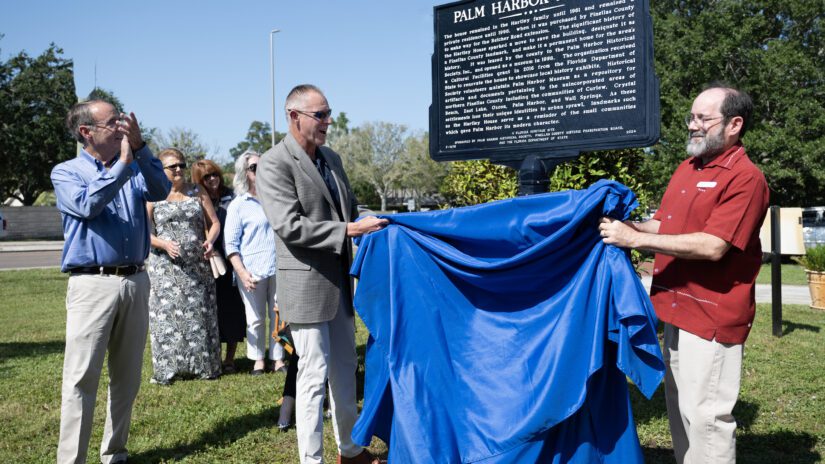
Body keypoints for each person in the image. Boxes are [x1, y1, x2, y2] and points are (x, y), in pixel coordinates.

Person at [599, 83, 769, 463]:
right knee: (680, 410)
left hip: (711, 317)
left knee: (707, 418)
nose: (693, 125)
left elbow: (713, 245)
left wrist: (633, 239)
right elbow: (666, 225)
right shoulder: (688, 168)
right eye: (691, 117)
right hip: (675, 312)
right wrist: (629, 227)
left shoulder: (745, 178)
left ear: (734, 124)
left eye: (703, 119)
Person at [257, 84, 388, 464]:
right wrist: (348, 231)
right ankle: (311, 459)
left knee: (346, 372)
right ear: (294, 116)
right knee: (312, 376)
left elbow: (347, 210)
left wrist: (372, 226)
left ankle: (350, 451)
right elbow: (289, 225)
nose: (328, 122)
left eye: (329, 114)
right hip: (306, 287)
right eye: (321, 115)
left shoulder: (331, 157)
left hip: (341, 286)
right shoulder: (273, 163)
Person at [52, 100, 171, 464]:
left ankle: (115, 452)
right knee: (81, 378)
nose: (122, 126)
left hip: (135, 279)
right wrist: (122, 164)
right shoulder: (67, 172)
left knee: (127, 378)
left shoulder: (133, 167)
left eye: (123, 120)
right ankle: (71, 460)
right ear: (86, 132)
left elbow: (162, 189)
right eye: (113, 122)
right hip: (92, 284)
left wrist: (140, 149)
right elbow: (89, 205)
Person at [146, 148, 222, 384]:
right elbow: (143, 231)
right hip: (165, 268)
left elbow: (214, 223)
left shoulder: (197, 192)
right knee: (167, 318)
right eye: (172, 166)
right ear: (161, 170)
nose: (178, 169)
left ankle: (204, 367)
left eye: (181, 164)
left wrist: (210, 240)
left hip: (197, 267)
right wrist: (164, 244)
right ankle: (168, 370)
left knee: (199, 315)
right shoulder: (153, 193)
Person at [224, 151, 287, 375]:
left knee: (280, 313)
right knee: (256, 318)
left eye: (263, 166)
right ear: (245, 173)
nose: (259, 171)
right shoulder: (238, 205)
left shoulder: (278, 199)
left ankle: (278, 358)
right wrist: (241, 272)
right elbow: (230, 244)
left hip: (279, 266)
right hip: (251, 270)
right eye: (253, 168)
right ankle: (258, 359)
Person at [192, 159, 247, 373]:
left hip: (231, 258)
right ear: (199, 180)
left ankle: (230, 358)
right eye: (206, 177)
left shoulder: (232, 196)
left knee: (232, 308)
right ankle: (212, 356)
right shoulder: (194, 198)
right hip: (207, 258)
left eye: (214, 174)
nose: (212, 179)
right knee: (210, 310)